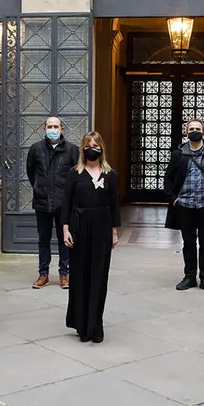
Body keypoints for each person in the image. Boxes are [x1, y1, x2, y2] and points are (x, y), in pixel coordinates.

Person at [62, 131, 120, 343]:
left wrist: (114, 231)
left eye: (96, 144)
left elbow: (114, 205)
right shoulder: (74, 173)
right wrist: (65, 229)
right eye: (88, 144)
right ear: (82, 148)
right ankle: (81, 323)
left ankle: (95, 324)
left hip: (102, 228)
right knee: (79, 276)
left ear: (101, 148)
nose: (92, 148)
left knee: (98, 276)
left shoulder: (110, 174)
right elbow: (66, 203)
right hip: (78, 227)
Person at [163, 119, 204, 294]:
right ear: (186, 133)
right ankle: (190, 276)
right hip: (184, 206)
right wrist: (173, 199)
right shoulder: (179, 154)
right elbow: (168, 178)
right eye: (191, 129)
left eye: (198, 129)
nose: (194, 131)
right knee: (188, 243)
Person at [26, 117, 80, 289]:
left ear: (62, 129)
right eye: (50, 126)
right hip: (42, 202)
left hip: (64, 204)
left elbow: (76, 175)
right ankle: (44, 274)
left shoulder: (72, 150)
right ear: (44, 129)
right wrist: (39, 187)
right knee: (43, 239)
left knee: (64, 240)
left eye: (56, 126)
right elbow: (31, 171)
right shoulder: (36, 149)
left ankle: (65, 274)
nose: (53, 129)